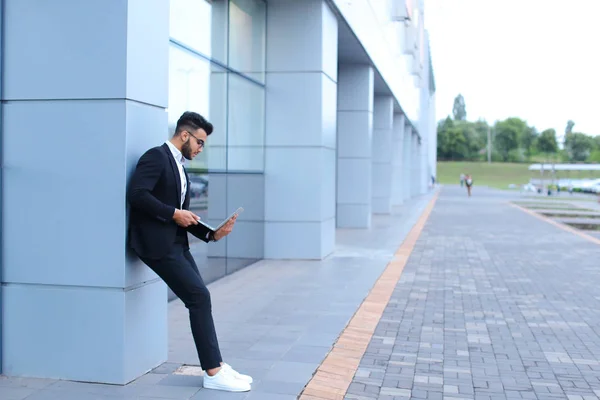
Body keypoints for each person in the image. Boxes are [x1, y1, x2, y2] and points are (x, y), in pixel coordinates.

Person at [127, 111, 252, 392]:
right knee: (198, 297)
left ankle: (216, 364)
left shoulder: (179, 167)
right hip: (156, 246)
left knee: (200, 299)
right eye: (199, 142)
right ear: (185, 135)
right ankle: (213, 371)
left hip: (176, 244)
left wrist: (211, 234)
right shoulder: (156, 157)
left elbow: (183, 216)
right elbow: (137, 194)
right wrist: (172, 214)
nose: (200, 148)